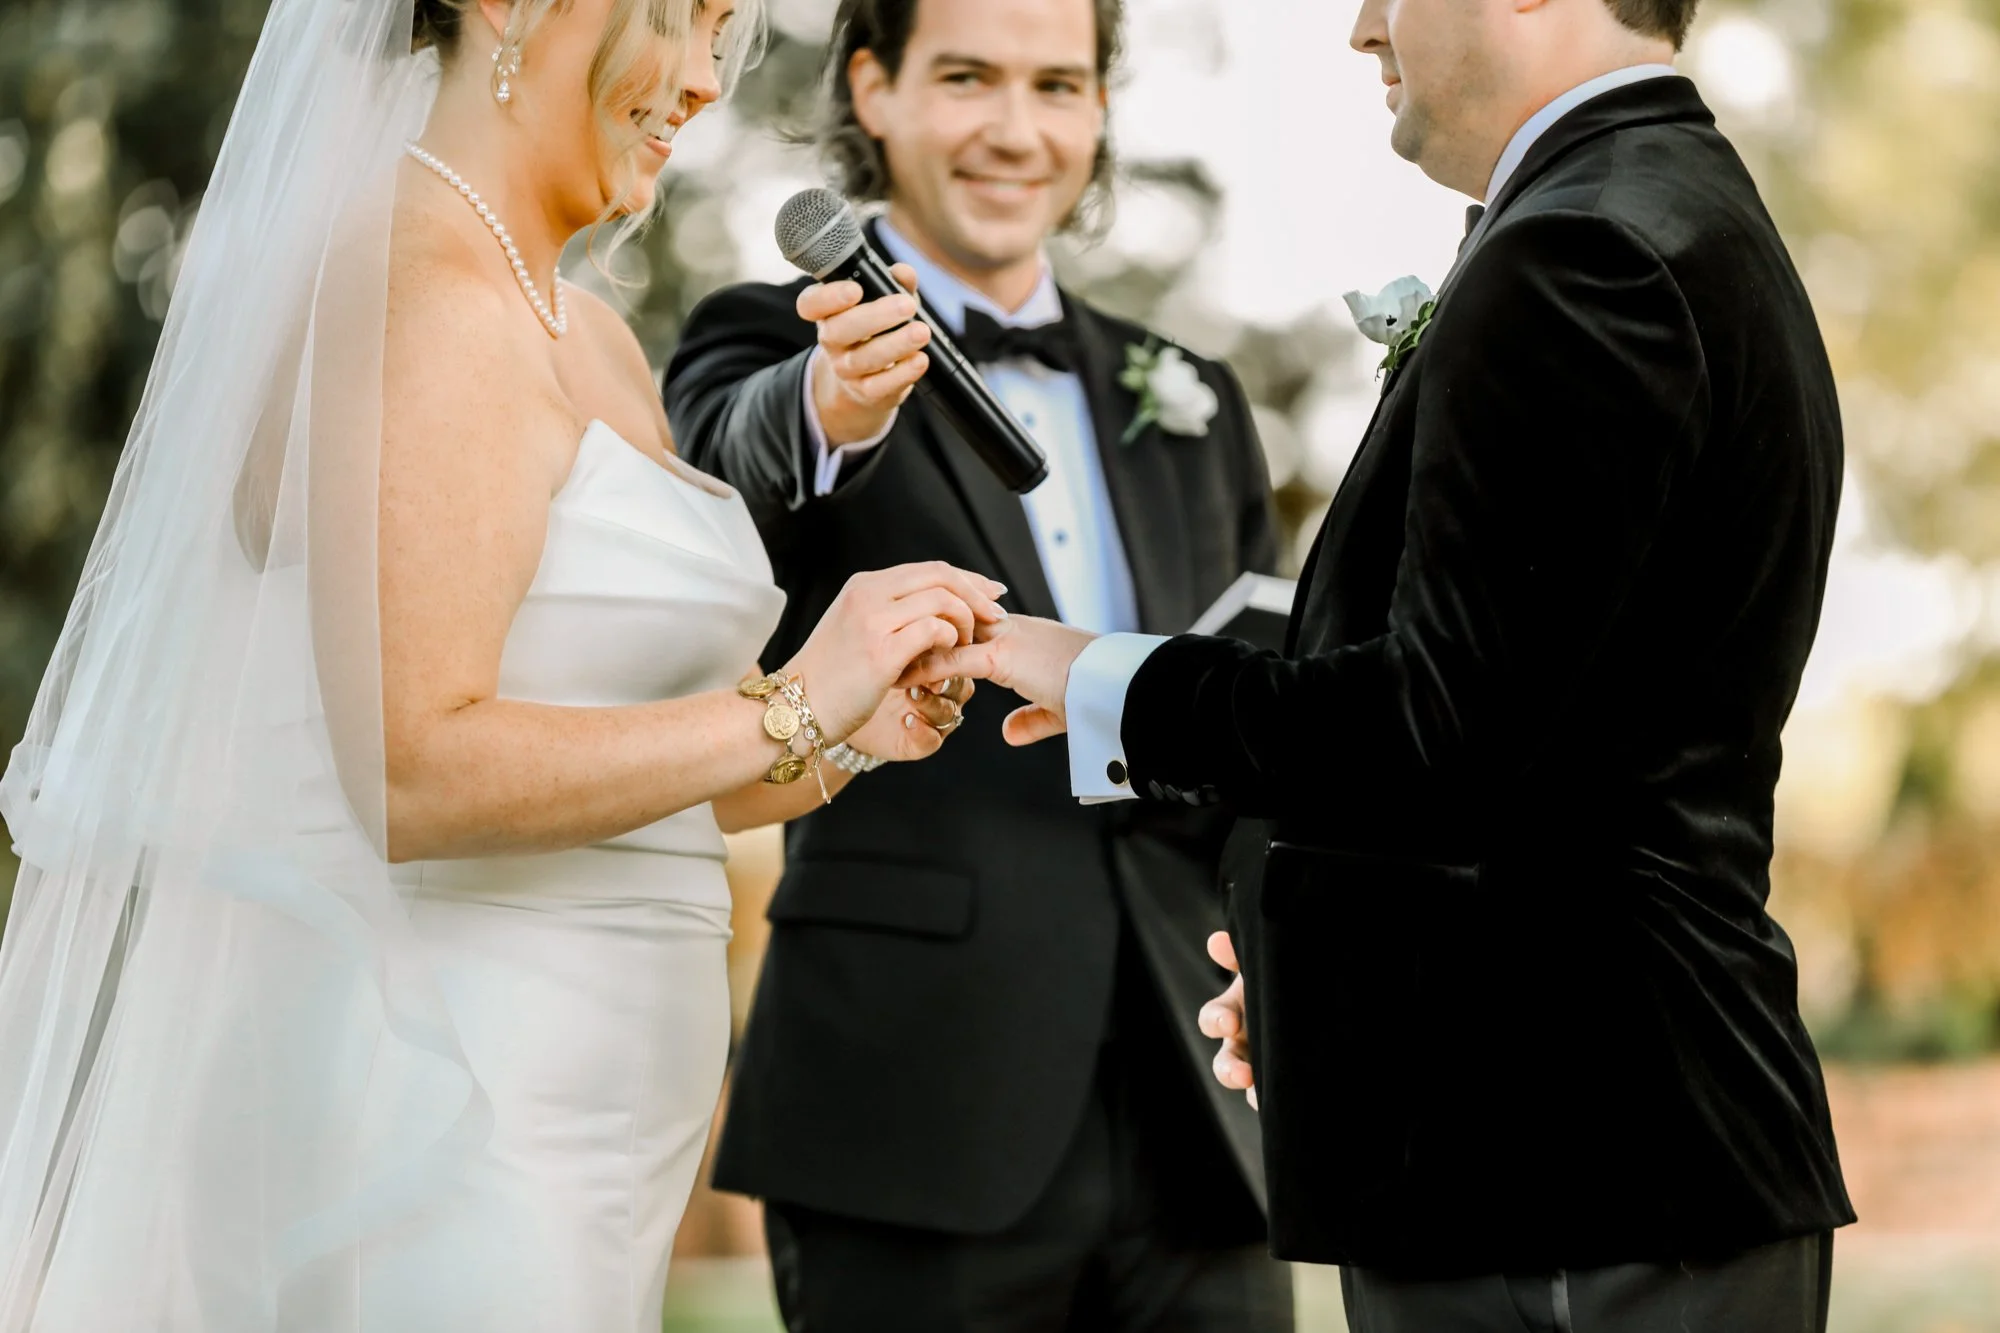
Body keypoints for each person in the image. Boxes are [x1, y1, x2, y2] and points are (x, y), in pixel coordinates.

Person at [0, 0, 1003, 1327]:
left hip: (599, 1128)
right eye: (682, 20)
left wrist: (842, 737)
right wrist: (803, 694)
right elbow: (416, 774)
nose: (706, 81)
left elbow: (630, 776)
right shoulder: (420, 289)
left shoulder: (583, 332)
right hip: (456, 1104)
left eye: (726, 33)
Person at [913, 0, 1859, 1324]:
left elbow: (1433, 733)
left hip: (1568, 1175)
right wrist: (1324, 973)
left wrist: (1103, 675)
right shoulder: (1654, 210)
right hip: (1579, 1156)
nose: (1363, 28)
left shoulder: (1588, 251)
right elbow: (1548, 753)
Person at [666, 0, 1292, 1327]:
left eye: (1058, 86)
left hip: (1202, 1123)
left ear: (1100, 111)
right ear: (873, 88)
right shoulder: (767, 339)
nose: (1018, 130)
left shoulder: (1193, 393)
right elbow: (720, 479)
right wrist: (829, 407)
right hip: (912, 1098)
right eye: (967, 78)